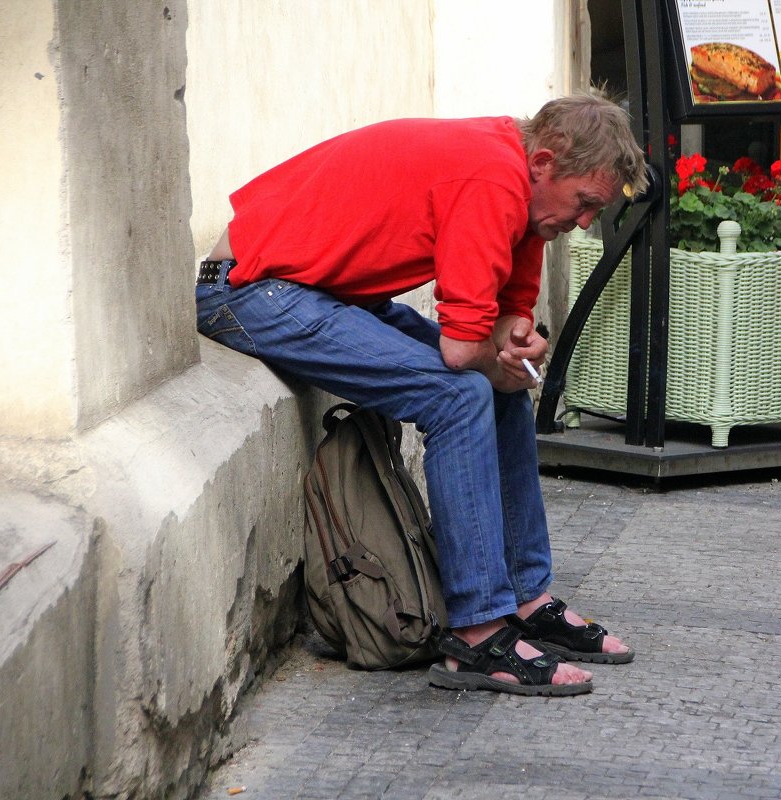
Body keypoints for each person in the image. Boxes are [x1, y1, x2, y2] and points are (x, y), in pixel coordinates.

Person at [196, 92, 648, 697]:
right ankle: (480, 634)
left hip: (317, 292)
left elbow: (500, 324)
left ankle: (525, 597)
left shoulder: (525, 187)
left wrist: (516, 342)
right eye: (585, 203)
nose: (586, 222)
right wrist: (494, 355)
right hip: (247, 291)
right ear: (544, 161)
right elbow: (463, 354)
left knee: (506, 390)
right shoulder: (493, 177)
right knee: (460, 395)